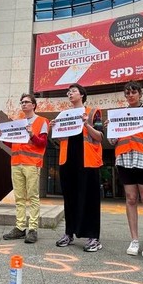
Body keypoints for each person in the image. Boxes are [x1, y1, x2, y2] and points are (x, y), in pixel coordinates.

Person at [106, 81, 143, 258]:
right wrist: (111, 127)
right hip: (125, 159)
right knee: (131, 199)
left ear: (140, 94)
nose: (130, 95)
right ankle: (134, 240)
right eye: (127, 93)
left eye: (133, 92)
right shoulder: (119, 114)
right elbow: (112, 141)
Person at [54, 83, 103, 252]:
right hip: (68, 161)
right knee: (70, 199)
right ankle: (69, 233)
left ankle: (93, 237)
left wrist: (86, 124)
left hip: (88, 161)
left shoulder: (92, 112)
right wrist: (56, 128)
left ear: (82, 95)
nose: (70, 94)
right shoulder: (64, 115)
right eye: (68, 92)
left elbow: (99, 136)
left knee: (90, 199)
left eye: (73, 91)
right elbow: (60, 140)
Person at [2, 93, 49, 244]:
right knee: (20, 197)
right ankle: (20, 227)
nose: (23, 104)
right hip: (16, 162)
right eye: (22, 102)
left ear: (34, 105)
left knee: (33, 197)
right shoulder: (18, 122)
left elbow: (42, 143)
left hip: (32, 163)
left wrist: (31, 134)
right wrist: (4, 137)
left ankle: (33, 229)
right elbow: (13, 144)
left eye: (27, 102)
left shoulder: (42, 121)